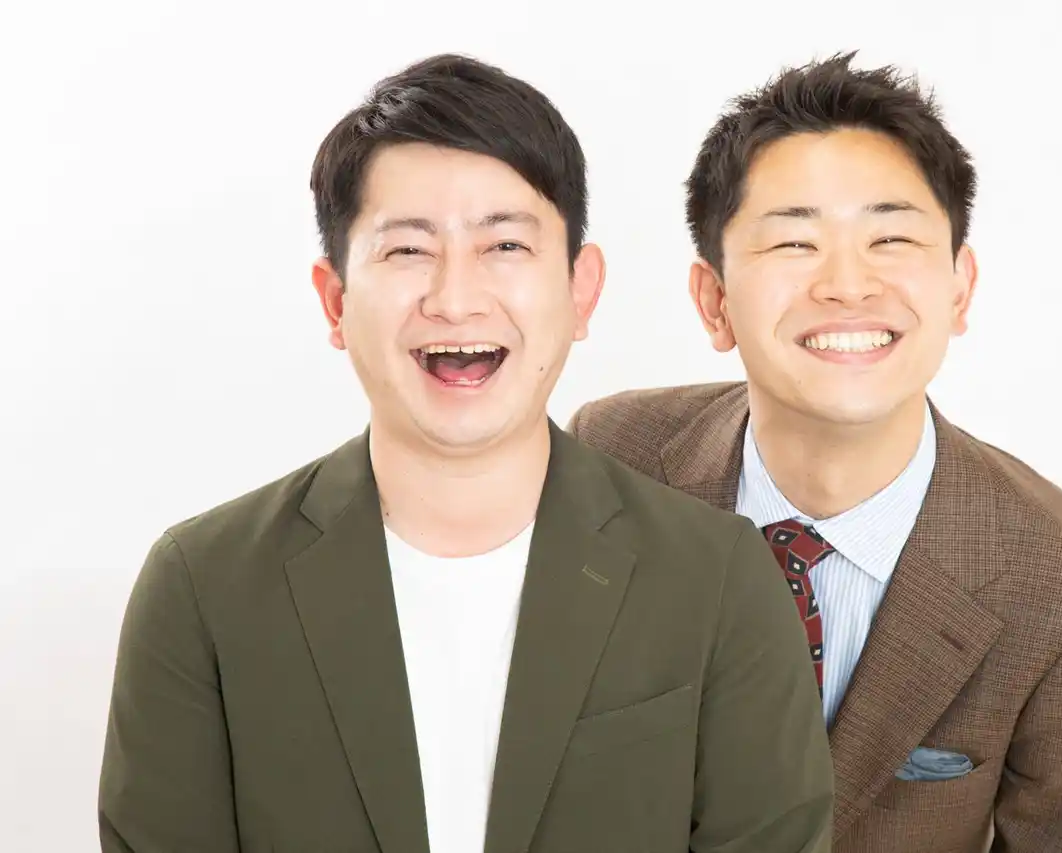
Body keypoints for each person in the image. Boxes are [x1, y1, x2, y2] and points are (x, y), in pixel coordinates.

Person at [97, 54, 833, 853]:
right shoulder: (203, 588)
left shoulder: (717, 579)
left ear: (580, 289)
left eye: (504, 245)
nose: (455, 299)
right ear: (335, 300)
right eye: (408, 251)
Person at [567, 51, 1062, 853]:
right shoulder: (612, 461)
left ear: (959, 288)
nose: (848, 284)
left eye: (891, 238)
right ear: (714, 300)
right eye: (794, 243)